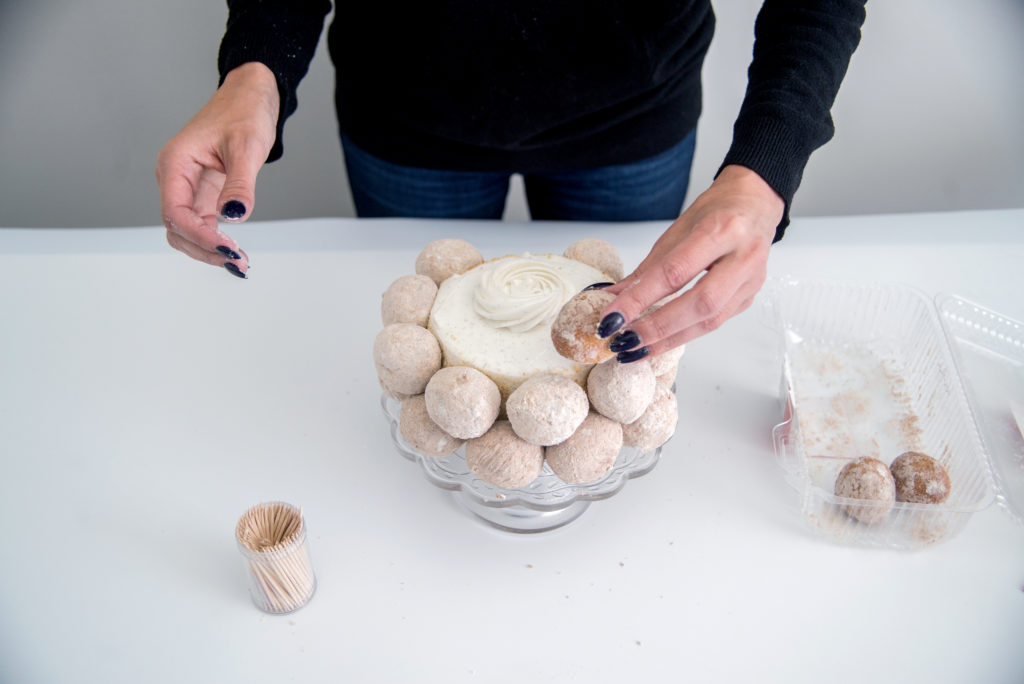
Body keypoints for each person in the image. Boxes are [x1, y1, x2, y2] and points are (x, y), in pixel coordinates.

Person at [156, 1, 867, 363]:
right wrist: (256, 66)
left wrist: (765, 166)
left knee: (615, 339)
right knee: (429, 327)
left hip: (633, 112)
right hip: (408, 113)